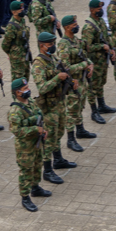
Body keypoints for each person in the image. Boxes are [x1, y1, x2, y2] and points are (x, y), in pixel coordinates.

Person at [31, 32, 75, 183]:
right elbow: (42, 88)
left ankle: (58, 159)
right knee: (49, 138)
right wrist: (58, 78)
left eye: (53, 43)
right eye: (50, 44)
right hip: (48, 107)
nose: (53, 46)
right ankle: (48, 170)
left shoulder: (53, 59)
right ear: (41, 46)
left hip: (59, 103)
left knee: (59, 132)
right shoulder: (38, 64)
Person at [7, 79, 50, 212]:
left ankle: (35, 187)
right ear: (17, 92)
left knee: (37, 165)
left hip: (36, 141)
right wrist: (34, 130)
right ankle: (25, 197)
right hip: (25, 147)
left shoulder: (30, 102)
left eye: (27, 87)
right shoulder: (15, 111)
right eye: (24, 88)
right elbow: (17, 131)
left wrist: (43, 130)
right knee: (26, 171)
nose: (28, 90)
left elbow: (39, 117)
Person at [56, 15, 95, 152]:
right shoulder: (63, 45)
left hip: (81, 81)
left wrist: (90, 64)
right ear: (66, 27)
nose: (76, 26)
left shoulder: (76, 41)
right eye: (74, 24)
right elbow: (65, 68)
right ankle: (71, 139)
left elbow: (84, 56)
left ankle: (80, 130)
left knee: (79, 107)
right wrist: (84, 65)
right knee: (71, 111)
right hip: (71, 84)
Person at [82, 0, 116, 120]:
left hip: (102, 60)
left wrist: (112, 49)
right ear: (92, 10)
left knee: (101, 83)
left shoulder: (101, 21)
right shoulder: (88, 27)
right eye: (98, 9)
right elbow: (87, 47)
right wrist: (102, 47)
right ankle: (94, 111)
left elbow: (106, 38)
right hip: (94, 62)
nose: (100, 11)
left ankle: (102, 105)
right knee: (92, 87)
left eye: (101, 8)